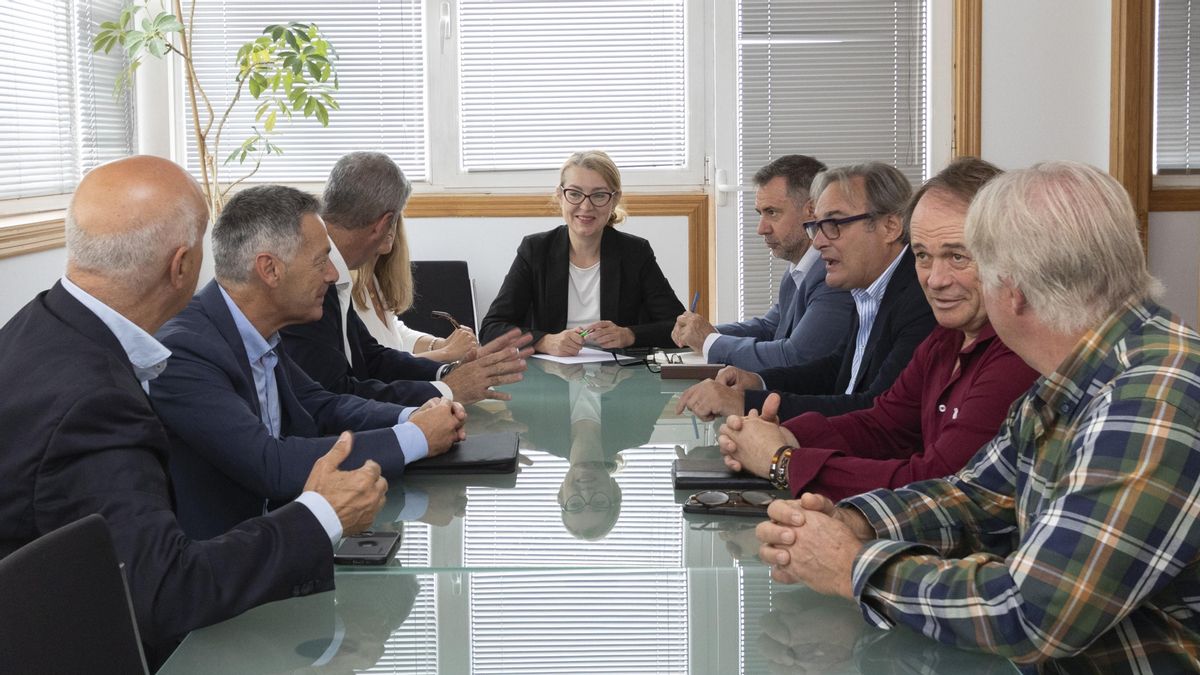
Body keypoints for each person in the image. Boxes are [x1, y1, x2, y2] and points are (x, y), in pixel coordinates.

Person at [755, 162, 1200, 672]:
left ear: (1010, 286)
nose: (938, 279)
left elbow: (1031, 613)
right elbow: (977, 495)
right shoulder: (1084, 367)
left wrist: (852, 565)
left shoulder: (1150, 401)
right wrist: (855, 520)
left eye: (968, 260)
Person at [0, 156, 387, 667]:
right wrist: (321, 513)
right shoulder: (95, 403)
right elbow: (165, 593)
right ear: (181, 265)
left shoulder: (36, 326)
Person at [151, 185, 466, 540]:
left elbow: (320, 405)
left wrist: (414, 415)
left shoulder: (259, 331)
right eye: (321, 261)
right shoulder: (184, 351)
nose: (332, 274)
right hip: (229, 567)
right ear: (269, 269)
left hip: (287, 542)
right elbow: (269, 463)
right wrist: (417, 437)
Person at [717, 158, 1038, 501]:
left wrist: (784, 462)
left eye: (957, 257)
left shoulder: (1018, 350)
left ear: (1006, 254)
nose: (935, 279)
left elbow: (939, 483)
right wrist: (780, 435)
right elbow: (884, 423)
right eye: (923, 256)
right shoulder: (947, 337)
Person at [677, 162, 936, 421]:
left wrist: (746, 402)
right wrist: (757, 381)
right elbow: (836, 370)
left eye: (834, 224)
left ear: (890, 227)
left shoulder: (921, 299)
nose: (819, 241)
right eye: (818, 226)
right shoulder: (868, 288)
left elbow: (876, 410)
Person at [282, 151, 531, 406]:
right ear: (385, 224)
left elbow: (373, 358)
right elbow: (335, 395)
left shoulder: (334, 269)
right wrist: (445, 390)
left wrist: (447, 373)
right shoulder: (312, 281)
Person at [480, 150, 686, 354]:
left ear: (614, 200)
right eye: (575, 194)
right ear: (560, 196)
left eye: (598, 195)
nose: (586, 206)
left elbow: (680, 328)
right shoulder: (535, 250)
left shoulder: (635, 253)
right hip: (551, 377)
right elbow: (492, 328)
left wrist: (629, 335)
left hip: (619, 373)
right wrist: (544, 341)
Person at [671, 154, 853, 370]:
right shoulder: (799, 269)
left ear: (812, 211)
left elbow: (794, 357)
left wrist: (709, 340)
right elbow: (770, 328)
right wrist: (705, 331)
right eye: (760, 213)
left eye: (772, 213)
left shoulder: (831, 273)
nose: (761, 229)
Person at [351, 235, 476, 363]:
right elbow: (375, 365)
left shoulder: (374, 278)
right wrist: (446, 353)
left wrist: (441, 344)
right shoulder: (343, 288)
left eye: (393, 219)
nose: (389, 227)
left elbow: (396, 335)